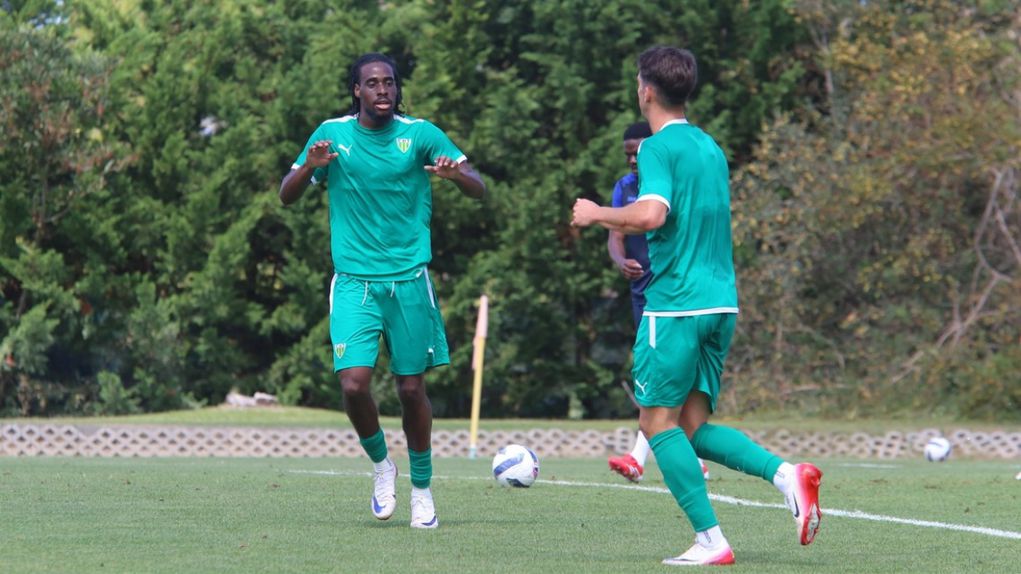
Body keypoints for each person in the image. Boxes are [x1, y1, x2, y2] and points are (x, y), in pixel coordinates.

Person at [572, 46, 821, 566]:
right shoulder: (709, 147)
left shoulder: (659, 148)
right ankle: (786, 475)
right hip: (720, 306)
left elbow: (652, 215)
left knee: (655, 425)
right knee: (690, 429)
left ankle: (711, 540)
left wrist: (597, 214)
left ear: (645, 89)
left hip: (676, 306)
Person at [279, 52, 486, 530]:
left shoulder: (421, 134)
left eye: (389, 83)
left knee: (412, 389)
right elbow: (286, 195)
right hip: (354, 282)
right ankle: (381, 467)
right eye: (372, 83)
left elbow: (478, 187)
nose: (382, 91)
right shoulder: (331, 135)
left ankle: (421, 490)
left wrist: (456, 176)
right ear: (357, 91)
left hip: (410, 280)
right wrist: (308, 167)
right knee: (353, 383)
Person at [606, 122, 709, 485]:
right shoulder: (625, 187)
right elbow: (616, 235)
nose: (633, 159)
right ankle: (684, 456)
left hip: (675, 294)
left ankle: (644, 456)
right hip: (644, 295)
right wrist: (620, 262)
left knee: (666, 371)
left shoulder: (671, 181)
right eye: (628, 154)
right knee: (657, 370)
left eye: (638, 151)